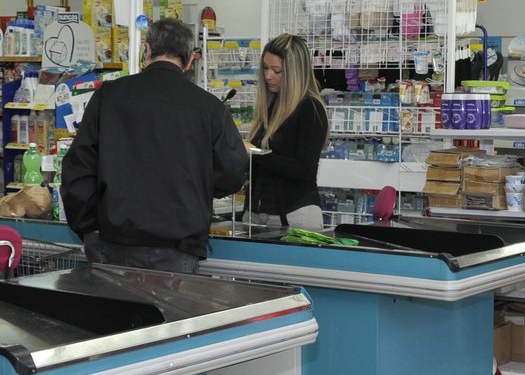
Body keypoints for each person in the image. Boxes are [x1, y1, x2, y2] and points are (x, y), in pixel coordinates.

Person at [62, 18, 248, 273]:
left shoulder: (108, 95)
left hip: (112, 241)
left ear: (147, 50)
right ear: (190, 59)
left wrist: (88, 224)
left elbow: (78, 167)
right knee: (170, 314)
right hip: (178, 247)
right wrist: (198, 185)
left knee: (109, 312)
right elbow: (233, 172)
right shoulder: (209, 108)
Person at [248, 33, 329, 229]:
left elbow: (305, 170)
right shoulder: (270, 106)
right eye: (265, 68)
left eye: (277, 70)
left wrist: (256, 154)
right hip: (259, 213)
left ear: (295, 72)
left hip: (294, 216)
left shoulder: (310, 108)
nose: (268, 76)